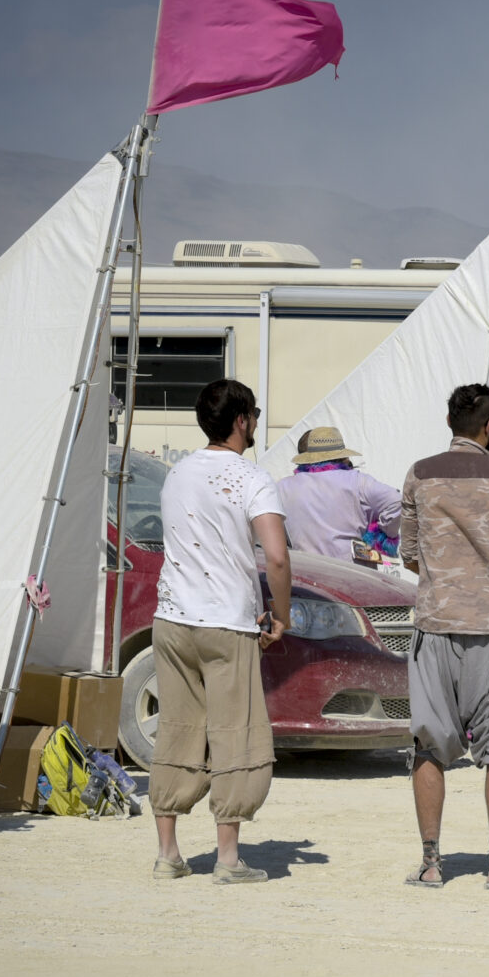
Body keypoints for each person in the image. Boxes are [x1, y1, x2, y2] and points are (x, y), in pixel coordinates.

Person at [398, 384, 489, 889]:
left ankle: (431, 863)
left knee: (429, 746)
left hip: (435, 626)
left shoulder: (419, 474)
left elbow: (409, 554)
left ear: (449, 422)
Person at [148, 379, 292, 884]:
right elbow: (275, 555)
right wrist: (281, 612)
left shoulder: (176, 474)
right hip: (226, 620)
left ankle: (168, 853)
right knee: (237, 734)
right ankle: (228, 859)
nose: (254, 420)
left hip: (171, 618)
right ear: (240, 420)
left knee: (178, 729)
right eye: (252, 412)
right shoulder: (251, 477)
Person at [274, 426, 401, 564]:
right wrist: (380, 534)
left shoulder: (283, 487)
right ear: (341, 455)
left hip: (306, 570)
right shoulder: (357, 481)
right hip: (351, 572)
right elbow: (396, 501)